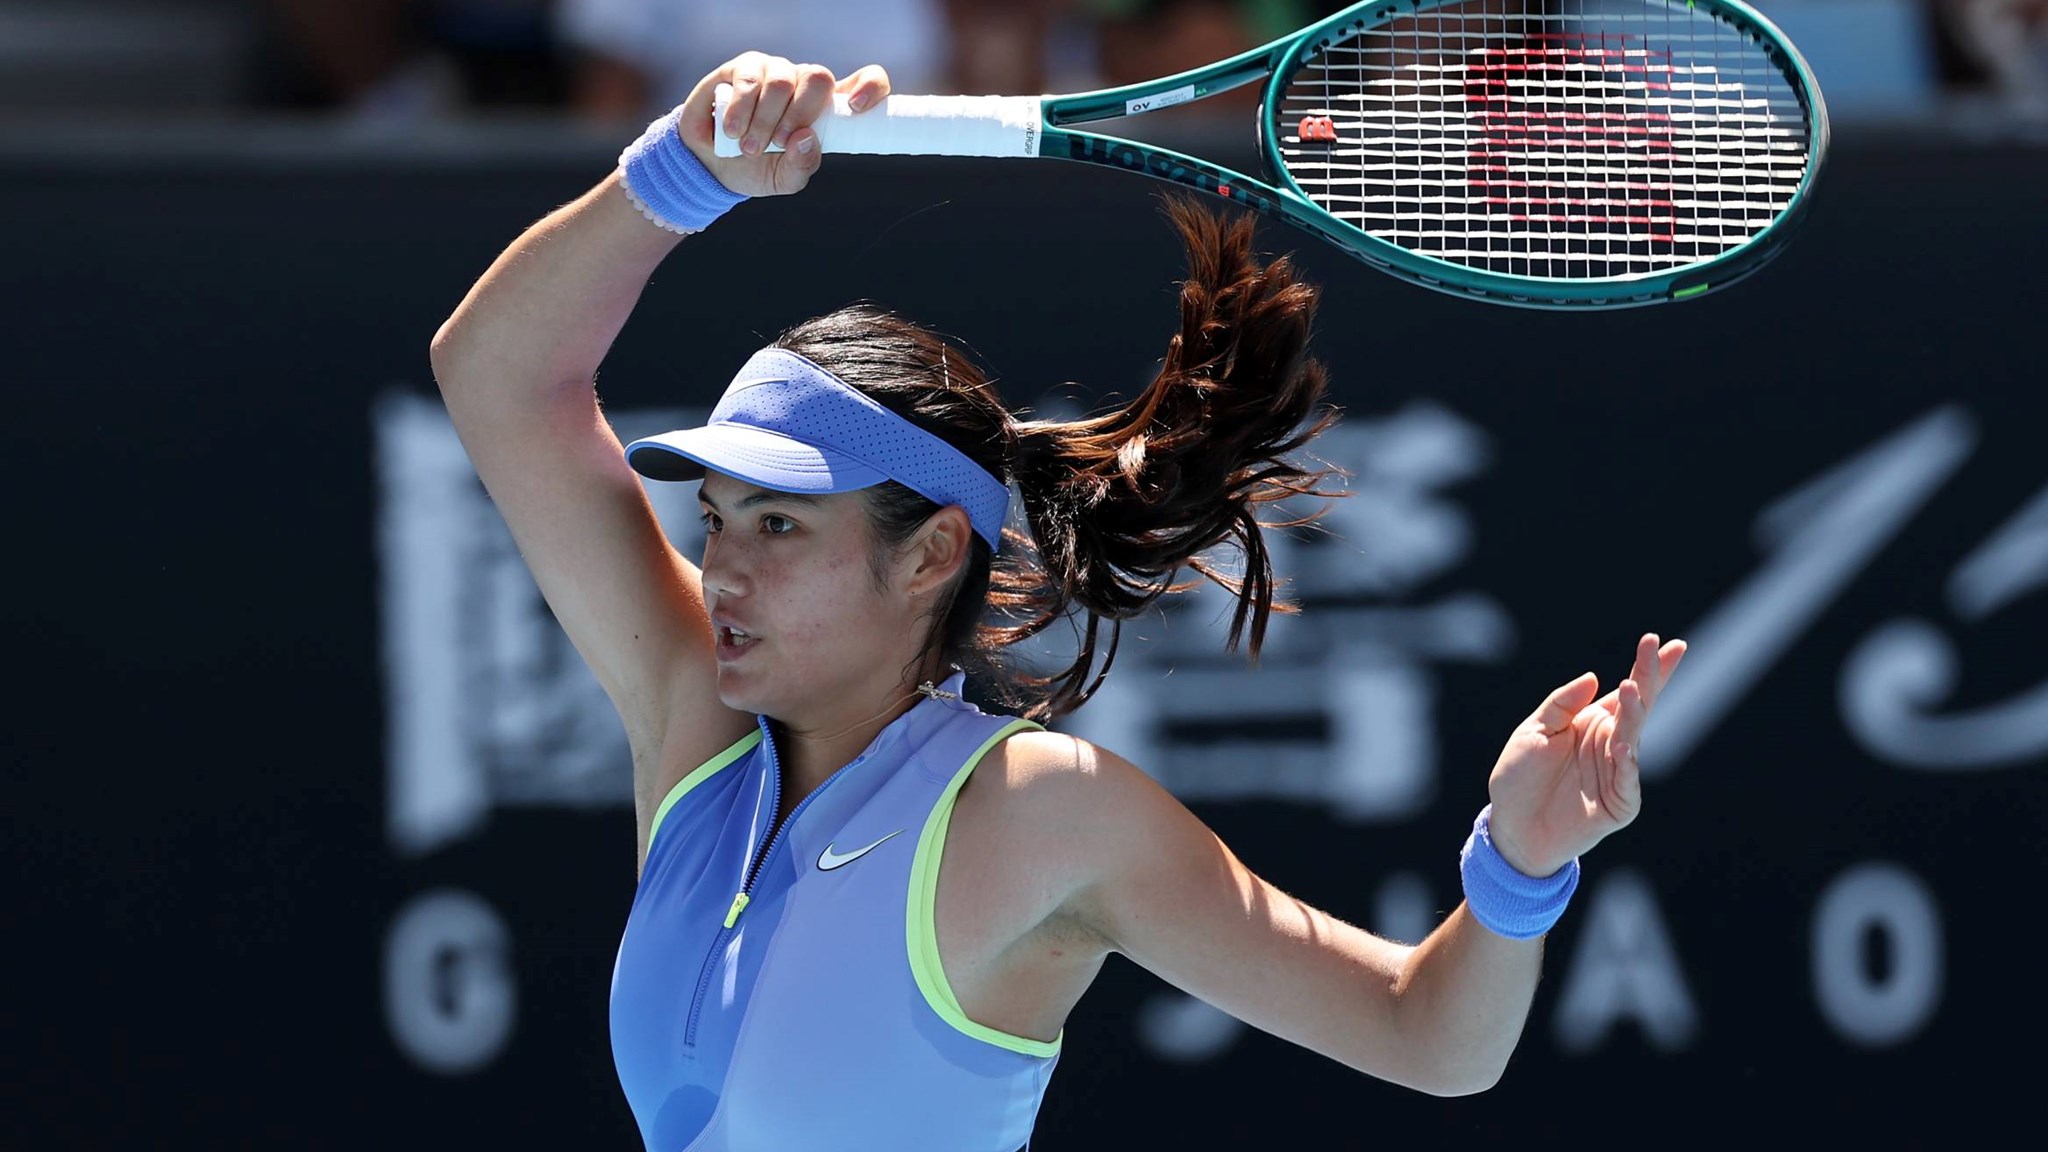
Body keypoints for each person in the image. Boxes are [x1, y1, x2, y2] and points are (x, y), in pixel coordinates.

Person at [428, 51, 1688, 1152]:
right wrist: (681, 171)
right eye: (714, 526)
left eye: (777, 525)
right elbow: (492, 373)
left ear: (927, 556)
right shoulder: (694, 722)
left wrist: (1517, 868)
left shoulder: (1042, 815)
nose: (726, 572)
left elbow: (1427, 1038)